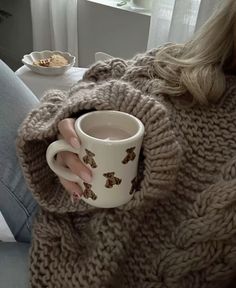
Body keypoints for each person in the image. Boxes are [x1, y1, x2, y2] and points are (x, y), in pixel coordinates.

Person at [1, 0, 236, 287]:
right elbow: (99, 81)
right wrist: (75, 118)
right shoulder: (186, 60)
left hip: (105, 272)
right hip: (59, 200)